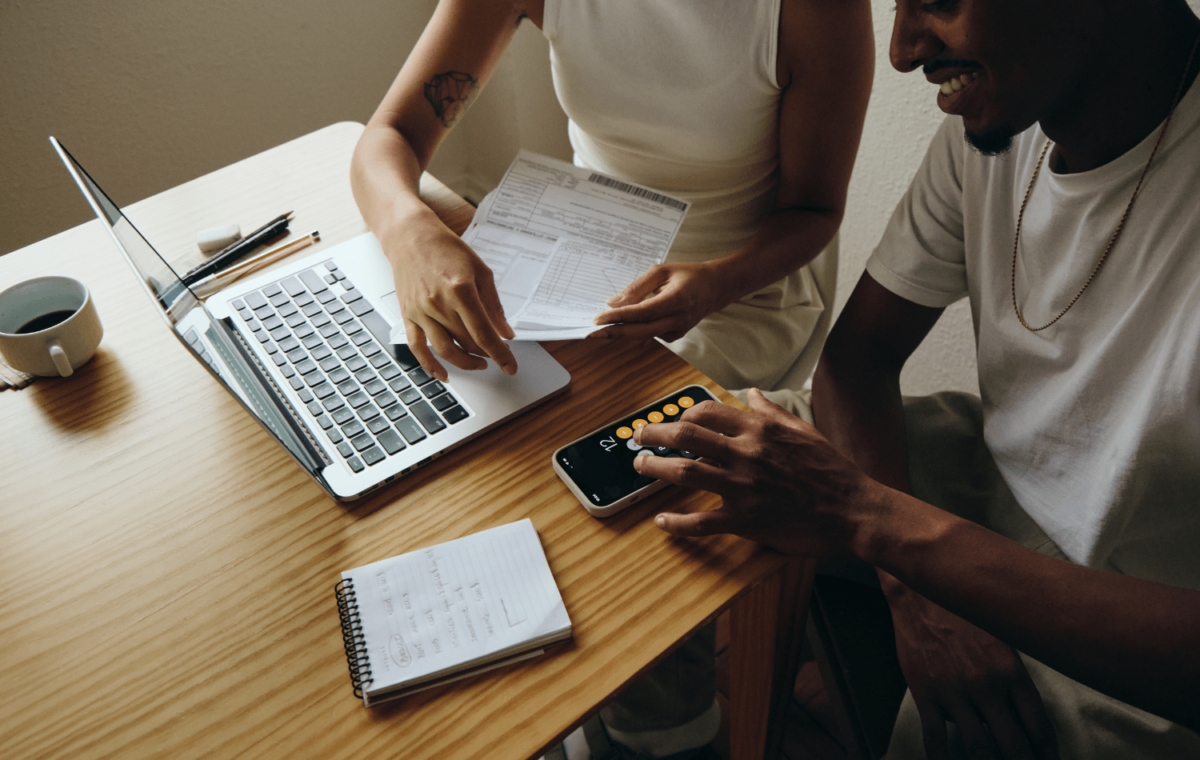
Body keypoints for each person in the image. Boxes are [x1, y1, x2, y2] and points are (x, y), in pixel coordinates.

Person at [632, 0, 1200, 758]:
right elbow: (857, 359)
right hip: (992, 476)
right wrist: (916, 585)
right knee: (671, 460)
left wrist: (879, 524)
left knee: (944, 736)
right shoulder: (993, 140)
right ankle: (672, 743)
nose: (900, 52)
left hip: (1143, 597)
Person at [349, 0, 873, 756]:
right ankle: (538, 678)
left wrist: (711, 283)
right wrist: (410, 235)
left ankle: (664, 733)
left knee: (620, 470)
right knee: (473, 418)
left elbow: (814, 210)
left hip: (742, 289)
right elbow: (388, 138)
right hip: (587, 264)